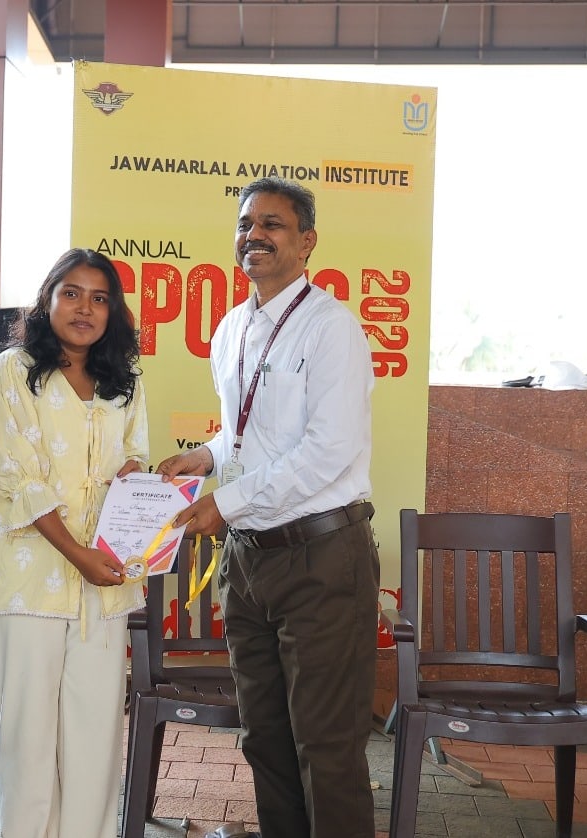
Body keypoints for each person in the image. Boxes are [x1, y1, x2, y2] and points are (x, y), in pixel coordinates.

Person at [157, 177, 379, 838]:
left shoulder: (332, 328)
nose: (254, 235)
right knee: (265, 740)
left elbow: (328, 450)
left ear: (307, 242)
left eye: (272, 224)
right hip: (249, 562)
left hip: (320, 558)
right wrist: (206, 456)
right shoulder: (232, 328)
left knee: (326, 748)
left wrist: (225, 503)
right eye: (245, 224)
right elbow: (247, 433)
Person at [0, 248, 148, 838]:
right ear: (47, 299)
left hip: (104, 586)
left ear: (113, 311)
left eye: (99, 298)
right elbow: (18, 479)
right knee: (28, 741)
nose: (84, 308)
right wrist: (78, 555)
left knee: (96, 740)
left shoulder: (125, 381)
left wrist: (135, 478)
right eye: (71, 293)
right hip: (29, 583)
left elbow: (136, 454)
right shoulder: (11, 372)